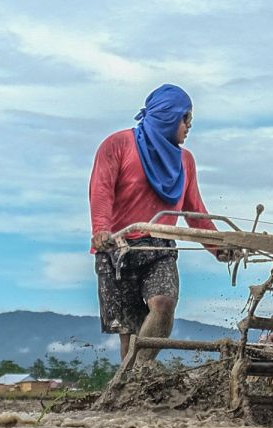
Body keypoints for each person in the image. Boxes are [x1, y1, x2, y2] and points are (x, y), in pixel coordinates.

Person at [89, 83, 236, 361]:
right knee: (130, 333)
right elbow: (101, 191)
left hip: (159, 248)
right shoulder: (118, 145)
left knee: (163, 303)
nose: (189, 125)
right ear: (169, 115)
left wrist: (218, 247)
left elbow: (196, 213)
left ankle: (135, 377)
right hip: (118, 249)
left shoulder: (185, 162)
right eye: (186, 117)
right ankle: (128, 391)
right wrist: (101, 230)